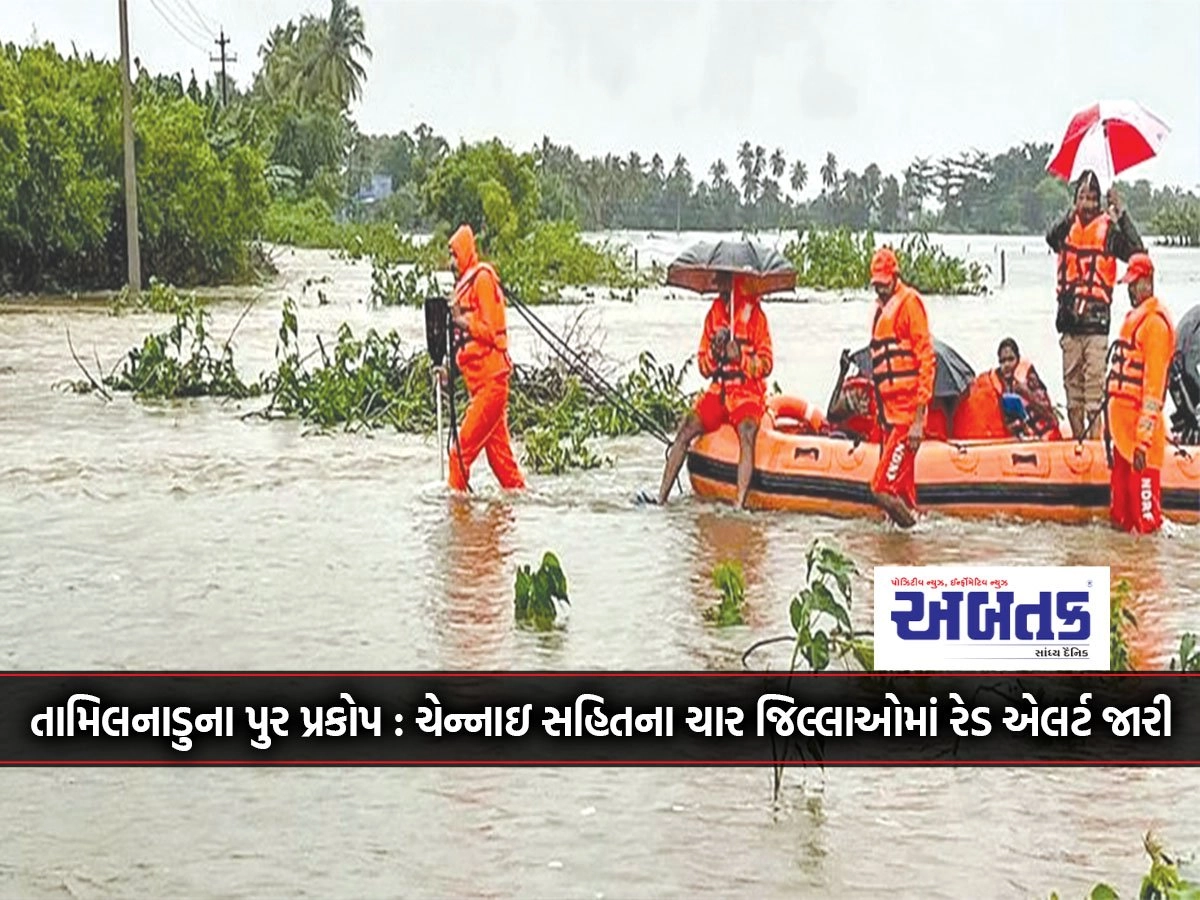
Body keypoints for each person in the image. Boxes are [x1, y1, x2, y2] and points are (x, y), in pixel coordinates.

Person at [657, 272, 773, 508]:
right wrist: (714, 352)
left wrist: (740, 357)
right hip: (719, 392)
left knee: (747, 432)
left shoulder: (756, 317)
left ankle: (739, 504)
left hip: (746, 394)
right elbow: (703, 366)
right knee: (686, 428)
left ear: (735, 282)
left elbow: (766, 364)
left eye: (723, 280)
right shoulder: (714, 315)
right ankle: (661, 498)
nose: (718, 285)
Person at [1046, 170, 1145, 439]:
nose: (1087, 204)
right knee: (1073, 396)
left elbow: (1137, 252)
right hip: (1069, 324)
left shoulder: (1109, 231)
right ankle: (1078, 443)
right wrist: (1069, 215)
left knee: (1093, 395)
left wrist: (1122, 213)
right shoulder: (1066, 227)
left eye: (1092, 198)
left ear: (1100, 201)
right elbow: (1050, 238)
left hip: (1096, 326)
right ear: (1075, 199)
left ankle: (1094, 445)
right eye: (1082, 197)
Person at [440, 223, 526, 492]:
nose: (451, 263)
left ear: (466, 252)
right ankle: (518, 514)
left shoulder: (483, 279)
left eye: (455, 255)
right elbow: (463, 345)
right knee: (502, 464)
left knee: (458, 456)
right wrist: (446, 370)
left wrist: (460, 320)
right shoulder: (462, 289)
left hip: (492, 384)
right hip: (479, 387)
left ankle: (459, 523)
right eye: (450, 256)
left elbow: (492, 332)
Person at [866, 247, 936, 528]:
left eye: (884, 283)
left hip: (907, 418)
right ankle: (906, 555)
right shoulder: (881, 310)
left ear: (895, 276)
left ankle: (914, 534)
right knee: (903, 493)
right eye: (876, 284)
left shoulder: (910, 304)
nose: (880, 290)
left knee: (880, 489)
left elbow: (926, 361)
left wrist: (918, 420)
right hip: (888, 415)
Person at [1105, 253, 1175, 534]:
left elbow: (1153, 391)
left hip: (1139, 442)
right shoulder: (1134, 320)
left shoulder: (1155, 325)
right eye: (1128, 284)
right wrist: (1109, 429)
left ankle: (1149, 575)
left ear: (1148, 281)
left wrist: (1142, 443)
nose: (1130, 290)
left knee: (1146, 523)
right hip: (1122, 437)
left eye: (1134, 283)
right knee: (1120, 518)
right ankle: (1126, 570)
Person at [951, 338, 1064, 440]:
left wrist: (1026, 393)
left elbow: (1050, 416)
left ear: (1018, 359)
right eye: (1002, 361)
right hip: (1015, 436)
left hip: (1041, 433)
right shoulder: (998, 384)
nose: (1007, 365)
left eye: (1011, 359)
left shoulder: (1030, 379)